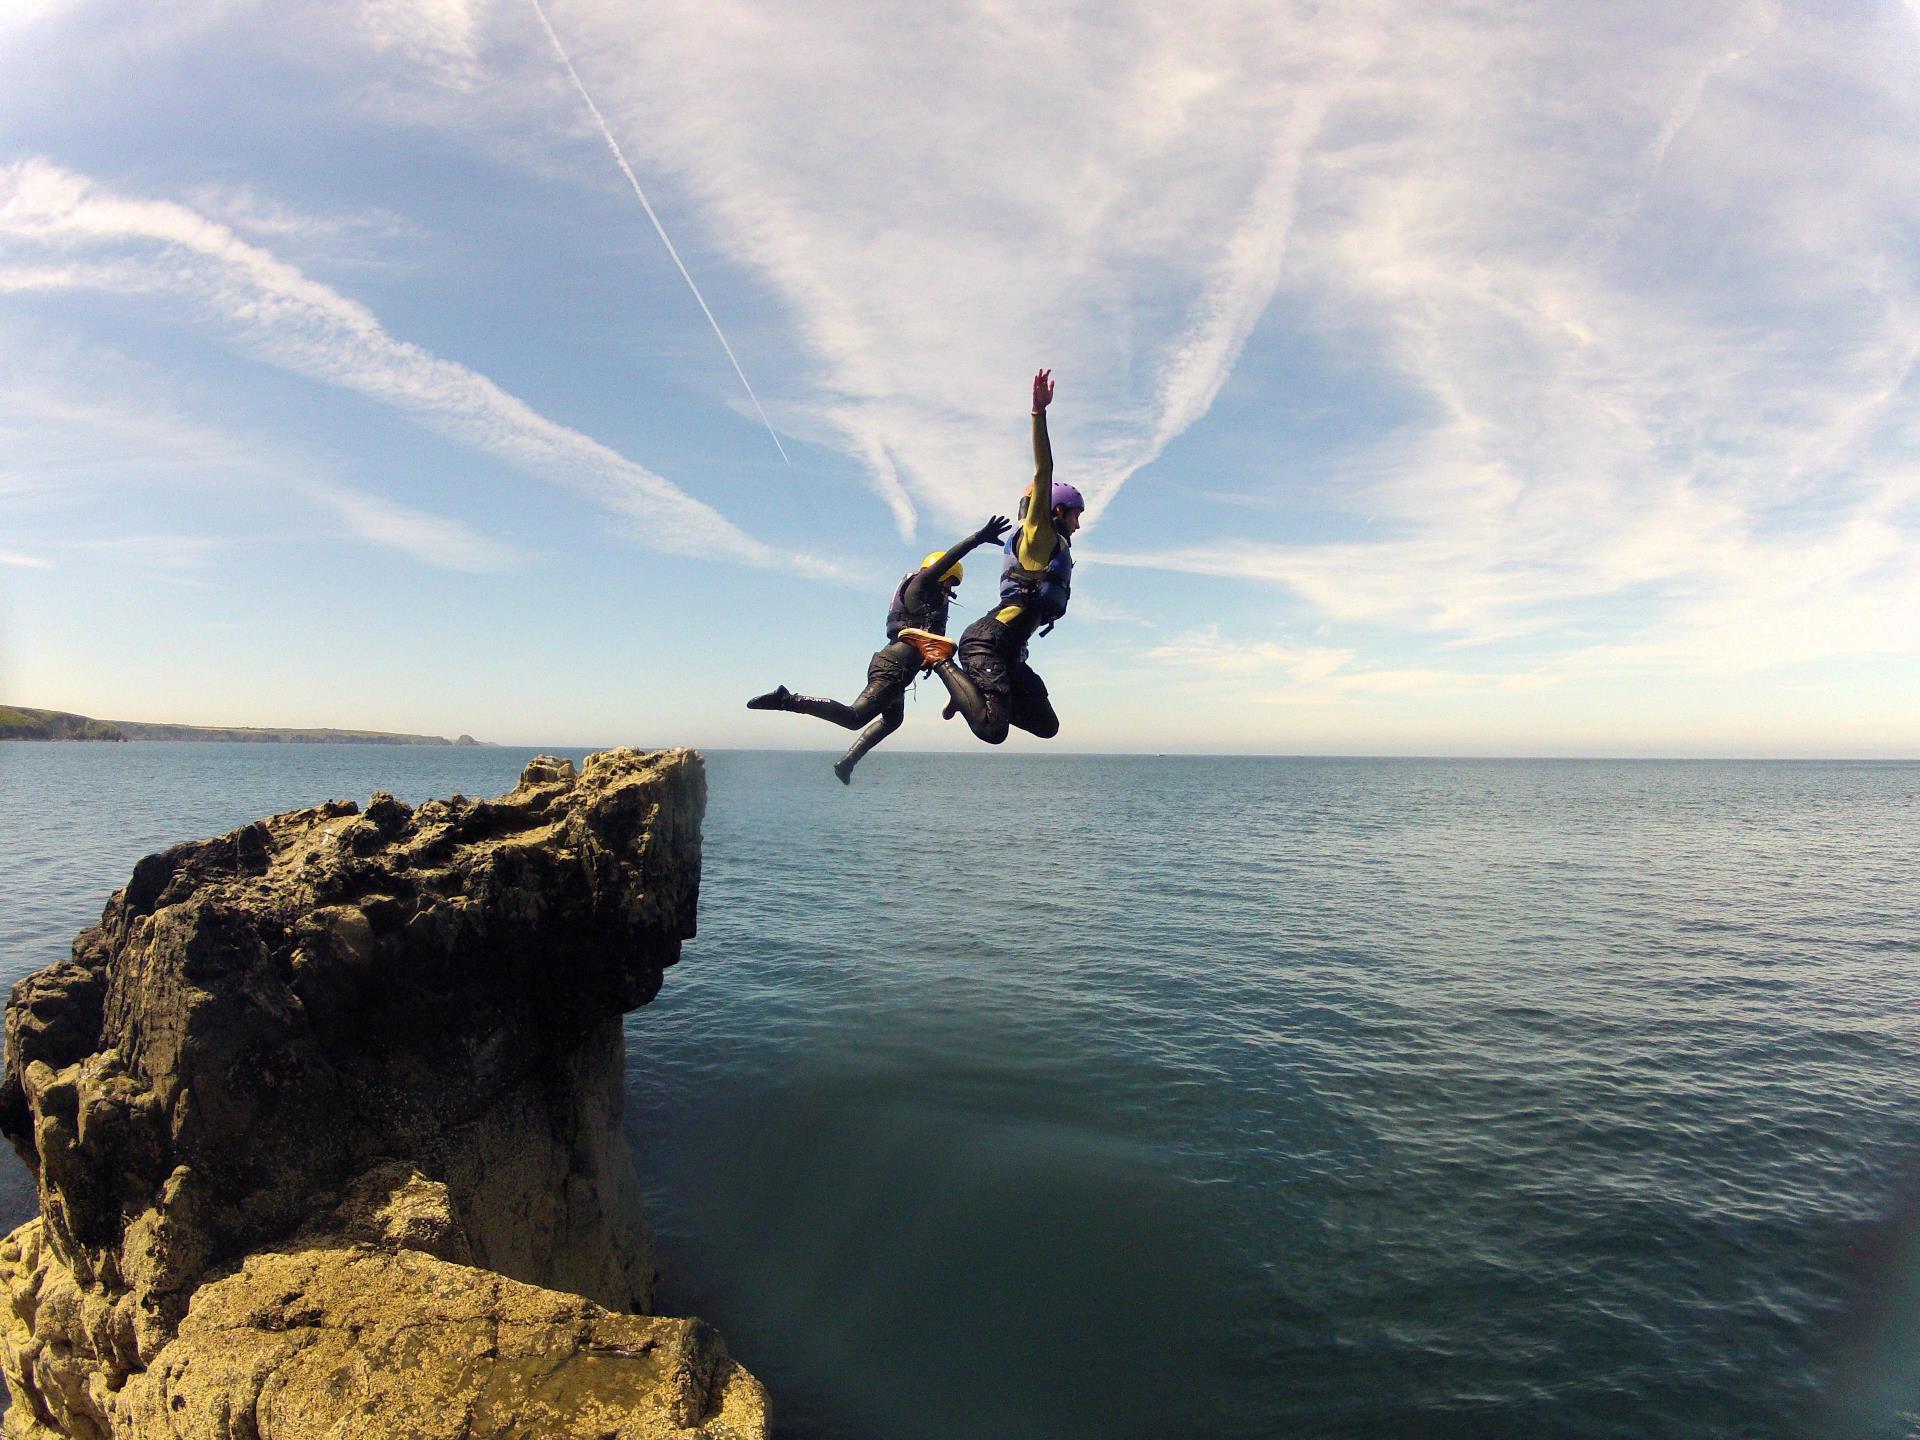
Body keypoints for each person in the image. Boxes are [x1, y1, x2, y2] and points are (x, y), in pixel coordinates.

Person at [747, 514, 1012, 783]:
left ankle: (847, 762)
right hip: (892, 666)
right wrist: (978, 538)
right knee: (854, 717)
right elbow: (950, 558)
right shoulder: (920, 585)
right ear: (940, 573)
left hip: (899, 668)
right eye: (949, 581)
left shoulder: (927, 603)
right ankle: (787, 700)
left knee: (893, 720)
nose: (949, 590)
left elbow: (925, 639)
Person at [899, 368, 1082, 744]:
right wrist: (1039, 414)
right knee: (992, 730)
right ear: (1057, 511)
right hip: (986, 643)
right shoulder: (1038, 535)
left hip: (1010, 652)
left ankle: (970, 692)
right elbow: (1044, 469)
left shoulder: (1056, 549)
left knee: (1047, 727)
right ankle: (943, 660)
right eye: (1076, 514)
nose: (1078, 525)